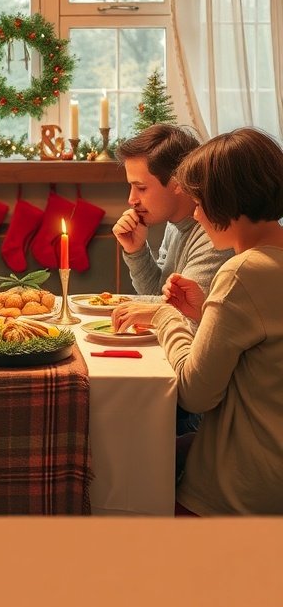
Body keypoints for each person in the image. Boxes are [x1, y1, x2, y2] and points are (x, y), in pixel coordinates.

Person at [112, 127, 283, 515]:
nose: (197, 211)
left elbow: (194, 393)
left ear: (227, 200)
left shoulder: (244, 272)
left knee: (124, 468)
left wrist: (165, 315)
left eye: (202, 200)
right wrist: (205, 310)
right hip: (270, 461)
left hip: (238, 485)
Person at [112, 124, 233, 298]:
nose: (131, 199)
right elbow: (157, 293)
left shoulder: (215, 234)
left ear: (178, 182)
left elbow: (182, 311)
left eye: (142, 188)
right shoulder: (176, 222)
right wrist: (136, 250)